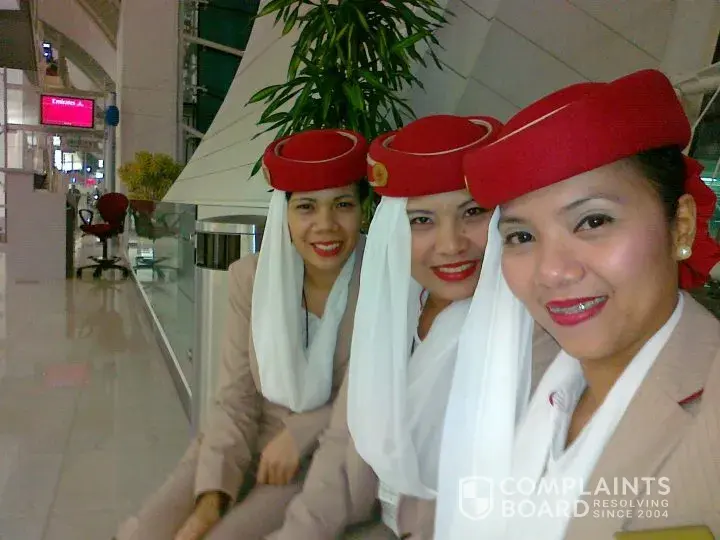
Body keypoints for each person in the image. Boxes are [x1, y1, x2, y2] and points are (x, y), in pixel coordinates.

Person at [436, 69, 720, 539]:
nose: (552, 271)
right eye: (521, 236)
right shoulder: (521, 372)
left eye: (592, 221)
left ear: (682, 227)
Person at [266, 114, 561, 540]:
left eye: (472, 212)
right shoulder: (393, 311)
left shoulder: (535, 334)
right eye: (421, 220)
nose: (451, 244)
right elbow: (340, 455)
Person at [114, 128, 370, 540]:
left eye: (342, 204)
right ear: (283, 213)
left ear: (362, 210)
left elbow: (375, 402)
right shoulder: (253, 279)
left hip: (325, 454)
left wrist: (300, 433)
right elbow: (235, 398)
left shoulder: (383, 282)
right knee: (150, 530)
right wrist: (210, 501)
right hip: (247, 436)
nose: (326, 226)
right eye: (306, 207)